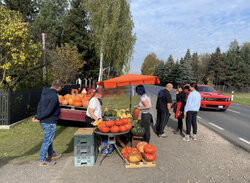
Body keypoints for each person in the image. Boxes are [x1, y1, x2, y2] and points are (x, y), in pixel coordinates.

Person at [32, 79, 64, 166]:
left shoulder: (45, 92)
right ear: (59, 87)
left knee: (48, 138)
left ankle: (51, 154)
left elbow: (39, 105)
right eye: (62, 87)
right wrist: (38, 117)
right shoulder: (54, 95)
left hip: (45, 121)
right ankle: (42, 161)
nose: (62, 89)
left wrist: (38, 116)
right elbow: (50, 110)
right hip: (49, 121)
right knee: (47, 140)